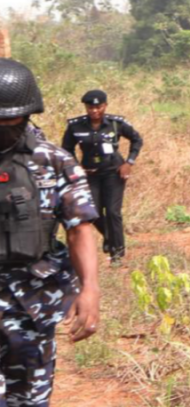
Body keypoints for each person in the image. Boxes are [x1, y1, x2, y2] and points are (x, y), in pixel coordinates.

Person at [0, 58, 100, 407]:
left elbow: (79, 228)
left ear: (28, 114)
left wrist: (90, 289)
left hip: (30, 301)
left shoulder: (53, 162)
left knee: (27, 399)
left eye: (9, 120)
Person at [61, 90, 143, 266]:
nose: (94, 111)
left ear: (105, 106)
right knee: (93, 213)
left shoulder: (116, 123)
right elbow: (66, 148)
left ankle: (117, 253)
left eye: (98, 107)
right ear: (86, 107)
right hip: (90, 174)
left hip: (114, 173)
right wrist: (76, 167)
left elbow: (137, 140)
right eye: (90, 107)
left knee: (113, 212)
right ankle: (109, 236)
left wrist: (128, 163)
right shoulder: (76, 126)